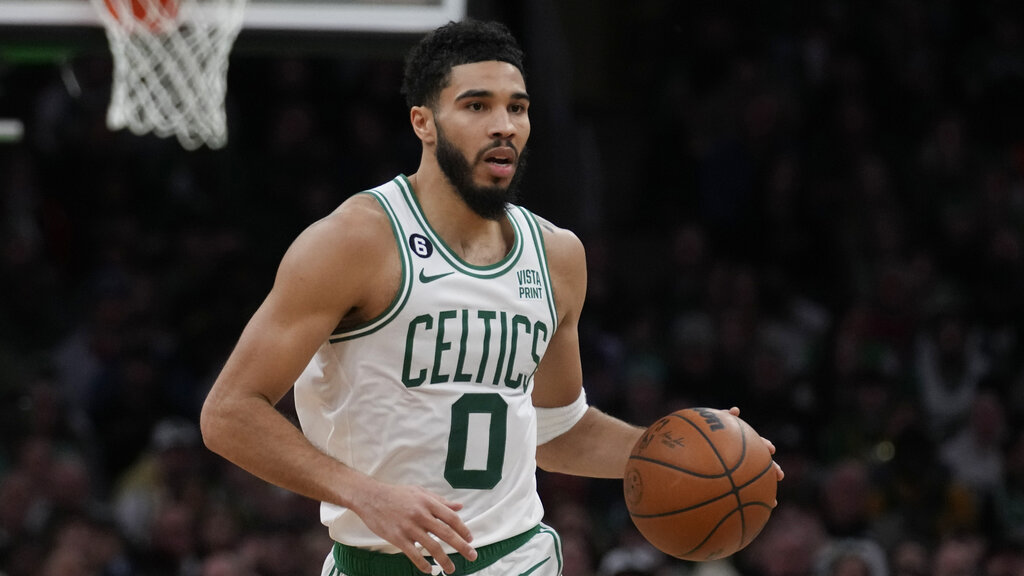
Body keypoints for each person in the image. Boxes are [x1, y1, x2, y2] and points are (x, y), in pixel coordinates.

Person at [200, 19, 783, 576]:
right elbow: (229, 413)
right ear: (423, 123)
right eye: (477, 105)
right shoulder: (355, 241)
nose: (503, 124)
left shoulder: (557, 255)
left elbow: (557, 431)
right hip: (376, 563)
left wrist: (685, 453)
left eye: (517, 107)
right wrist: (366, 495)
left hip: (518, 557)